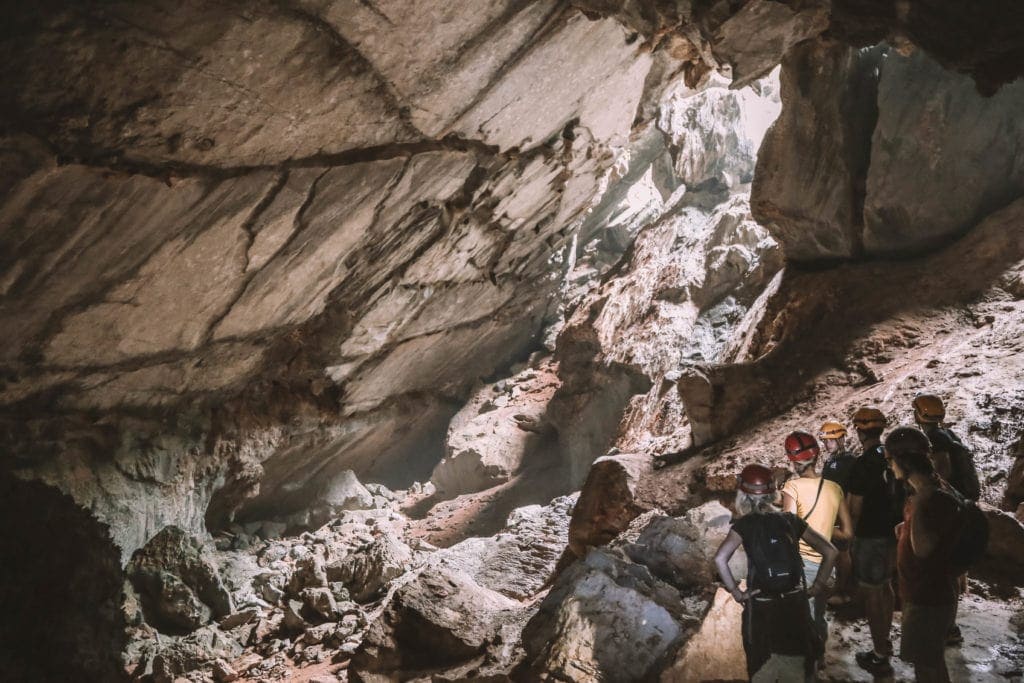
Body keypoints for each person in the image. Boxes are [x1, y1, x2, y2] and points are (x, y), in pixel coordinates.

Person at [715, 464, 838, 682]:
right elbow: (830, 551)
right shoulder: (790, 521)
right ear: (773, 492)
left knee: (762, 668)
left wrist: (736, 592)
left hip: (761, 606)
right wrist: (817, 587)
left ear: (743, 494)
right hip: (794, 605)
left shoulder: (744, 525)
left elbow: (720, 559)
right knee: (798, 666)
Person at [886, 427, 961, 682]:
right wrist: (907, 526)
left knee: (927, 667)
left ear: (903, 460)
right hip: (926, 593)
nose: (889, 465)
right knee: (931, 661)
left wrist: (916, 512)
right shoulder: (929, 491)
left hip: (928, 597)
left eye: (890, 459)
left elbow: (925, 549)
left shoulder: (929, 498)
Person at [912, 394, 979, 646]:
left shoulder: (935, 439)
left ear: (918, 415)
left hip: (949, 509)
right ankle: (950, 622)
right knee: (953, 569)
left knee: (945, 569)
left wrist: (927, 497)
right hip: (961, 505)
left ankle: (948, 627)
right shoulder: (949, 434)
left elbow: (942, 472)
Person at [780, 431, 853, 653]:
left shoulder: (792, 488)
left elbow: (789, 531)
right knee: (818, 615)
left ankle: (809, 667)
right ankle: (819, 658)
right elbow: (848, 534)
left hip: (804, 567)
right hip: (828, 568)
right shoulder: (835, 488)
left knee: (803, 621)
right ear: (818, 454)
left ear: (792, 461)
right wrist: (824, 526)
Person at [846, 406, 903, 677]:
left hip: (870, 536)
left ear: (859, 431)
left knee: (872, 593)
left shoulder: (864, 463)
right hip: (892, 534)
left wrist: (850, 538)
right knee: (886, 587)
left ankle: (880, 652)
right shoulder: (889, 456)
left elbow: (855, 507)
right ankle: (885, 644)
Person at [819, 421, 857, 606]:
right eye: (825, 441)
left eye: (832, 440)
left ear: (841, 439)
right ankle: (840, 587)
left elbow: (851, 490)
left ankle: (844, 591)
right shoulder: (831, 460)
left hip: (842, 513)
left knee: (843, 552)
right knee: (836, 550)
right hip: (832, 511)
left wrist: (847, 517)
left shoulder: (848, 461)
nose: (828, 444)